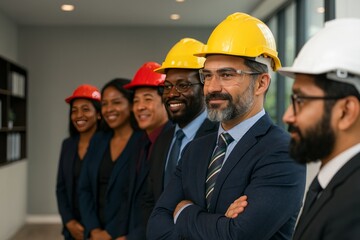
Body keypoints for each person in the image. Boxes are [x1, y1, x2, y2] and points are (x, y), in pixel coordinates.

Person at [147, 12, 306, 240]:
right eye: (207, 75)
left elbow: (239, 236)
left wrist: (184, 210)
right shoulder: (196, 149)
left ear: (261, 83)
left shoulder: (284, 151)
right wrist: (220, 223)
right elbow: (156, 228)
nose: (212, 87)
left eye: (227, 75)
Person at [279, 18, 360, 240]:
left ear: (346, 111)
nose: (288, 115)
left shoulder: (353, 207)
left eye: (301, 100)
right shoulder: (331, 182)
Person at [143, 38, 218, 219]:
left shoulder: (218, 137)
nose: (172, 94)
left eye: (183, 85)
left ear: (204, 87)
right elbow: (149, 199)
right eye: (167, 86)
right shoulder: (164, 137)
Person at [78, 78, 142, 240]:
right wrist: (93, 229)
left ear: (131, 104)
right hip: (94, 231)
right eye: (104, 104)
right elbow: (84, 188)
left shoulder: (143, 142)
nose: (109, 109)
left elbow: (135, 197)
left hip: (126, 232)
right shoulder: (98, 140)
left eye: (116, 102)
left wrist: (110, 233)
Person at [121, 62, 172, 239]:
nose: (140, 106)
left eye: (148, 99)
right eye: (136, 101)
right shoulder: (140, 140)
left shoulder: (175, 141)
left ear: (165, 100)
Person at [56, 84, 102, 240]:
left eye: (86, 109)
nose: (79, 115)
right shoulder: (67, 145)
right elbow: (60, 188)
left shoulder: (108, 146)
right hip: (72, 229)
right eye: (74, 110)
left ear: (98, 114)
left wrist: (94, 229)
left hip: (100, 228)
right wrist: (69, 222)